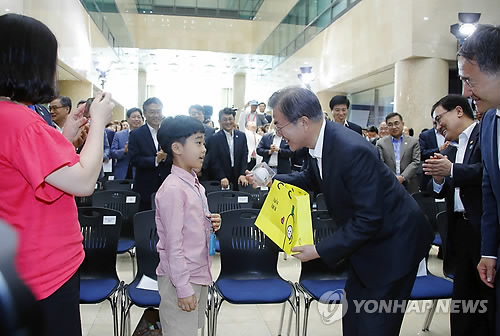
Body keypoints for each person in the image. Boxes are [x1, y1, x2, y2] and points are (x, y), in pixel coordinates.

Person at [246, 86, 433, 336]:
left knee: (375, 325)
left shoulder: (351, 150)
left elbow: (368, 219)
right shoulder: (320, 143)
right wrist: (271, 181)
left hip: (394, 246)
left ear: (303, 122)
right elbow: (311, 178)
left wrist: (319, 250)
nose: (276, 132)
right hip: (367, 247)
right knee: (355, 319)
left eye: (279, 126)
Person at [0, 13, 114, 336]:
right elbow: (83, 181)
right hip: (45, 271)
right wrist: (99, 124)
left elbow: (35, 173)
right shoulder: (22, 123)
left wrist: (66, 134)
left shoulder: (10, 117)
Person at [423, 94, 495, 335]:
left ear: (458, 111)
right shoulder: (451, 150)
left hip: (484, 229)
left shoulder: (487, 134)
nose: (438, 127)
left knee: (487, 293)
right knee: (463, 297)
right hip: (459, 229)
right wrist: (438, 178)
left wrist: (452, 169)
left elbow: (487, 173)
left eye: (439, 119)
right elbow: (445, 190)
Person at [155, 115, 221, 336]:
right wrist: (183, 288)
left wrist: (210, 222)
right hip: (180, 279)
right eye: (199, 142)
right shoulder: (173, 189)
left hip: (197, 273)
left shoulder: (193, 183)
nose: (204, 149)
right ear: (177, 148)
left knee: (189, 330)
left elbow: (190, 226)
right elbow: (173, 244)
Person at [457, 25, 500, 332]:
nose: (466, 92)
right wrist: (489, 250)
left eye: (470, 80)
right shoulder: (489, 125)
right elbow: (489, 189)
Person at [129, 97, 170, 210]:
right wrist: (155, 160)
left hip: (168, 185)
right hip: (145, 186)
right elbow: (133, 159)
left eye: (158, 111)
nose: (156, 115)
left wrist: (166, 158)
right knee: (147, 220)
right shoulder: (136, 134)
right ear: (145, 114)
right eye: (152, 112)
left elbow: (177, 156)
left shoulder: (169, 132)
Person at [377, 112, 421, 194]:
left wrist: (403, 177)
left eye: (396, 123)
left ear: (402, 124)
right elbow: (380, 163)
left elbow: (415, 162)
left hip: (409, 184)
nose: (394, 127)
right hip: (388, 184)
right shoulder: (381, 143)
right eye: (390, 124)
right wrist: (393, 178)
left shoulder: (413, 142)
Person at [206, 108, 248, 190]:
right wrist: (221, 176)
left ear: (234, 119)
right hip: (222, 178)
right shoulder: (214, 138)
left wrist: (242, 174)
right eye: (224, 120)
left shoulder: (241, 136)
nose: (228, 122)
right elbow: (214, 160)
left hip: (238, 176)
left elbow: (244, 156)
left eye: (230, 119)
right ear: (219, 121)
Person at [110, 107, 143, 179]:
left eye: (139, 117)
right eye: (134, 117)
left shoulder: (145, 135)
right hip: (122, 173)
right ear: (128, 119)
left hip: (140, 173)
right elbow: (112, 153)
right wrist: (124, 151)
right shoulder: (119, 135)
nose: (136, 119)